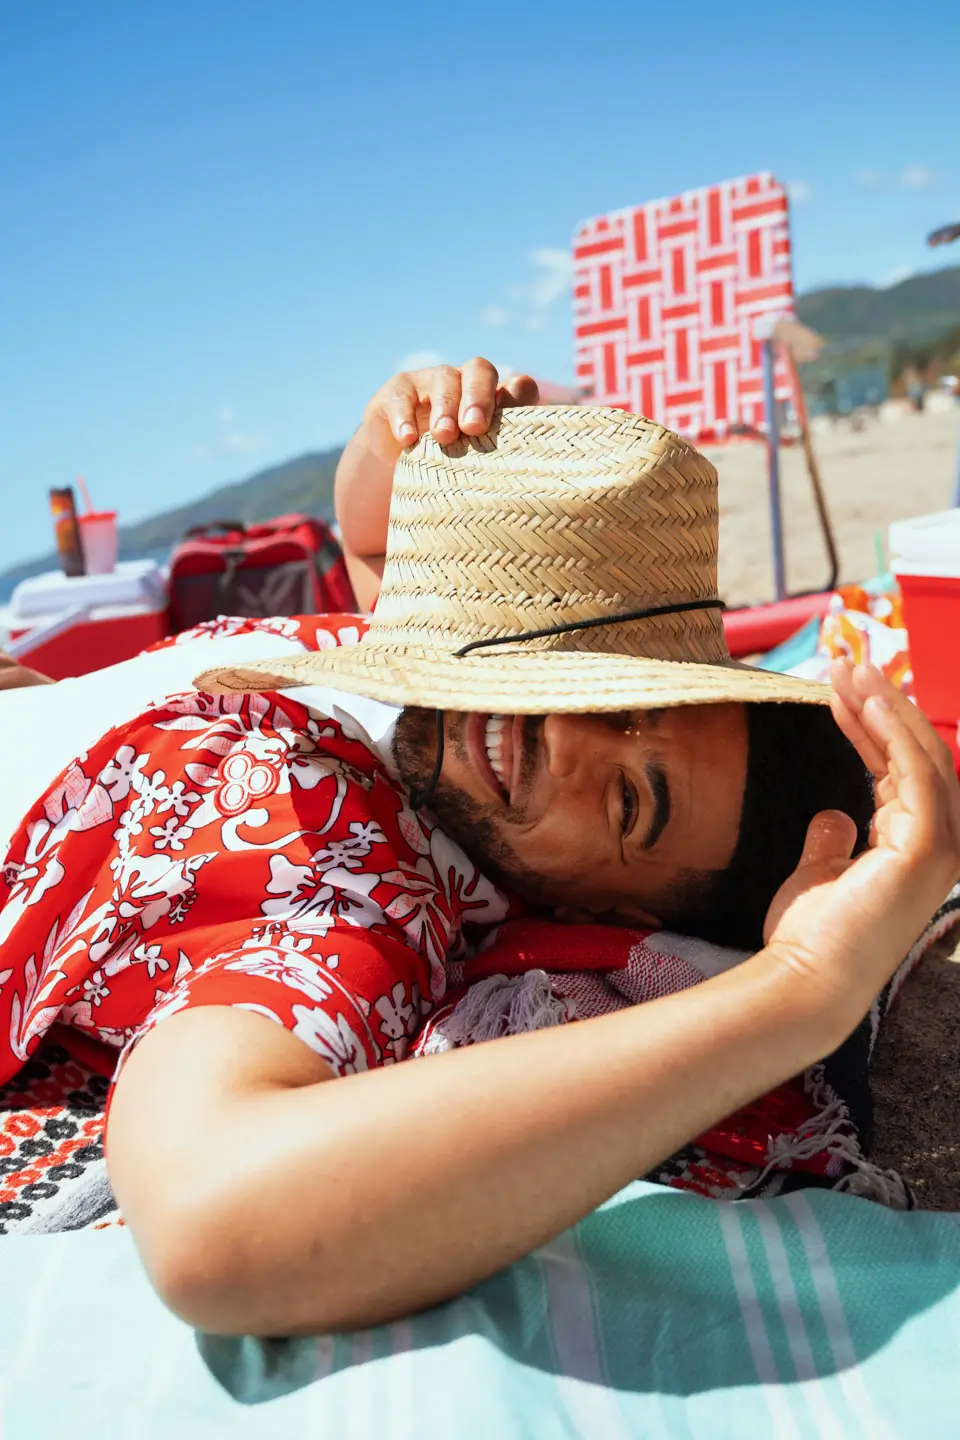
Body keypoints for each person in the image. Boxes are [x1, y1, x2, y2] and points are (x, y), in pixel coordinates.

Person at [1, 361, 958, 1340]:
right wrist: (393, 438)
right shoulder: (449, 672)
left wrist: (802, 988)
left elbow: (214, 1220)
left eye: (628, 803)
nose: (564, 732)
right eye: (613, 696)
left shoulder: (353, 895)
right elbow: (371, 542)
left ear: (608, 916)